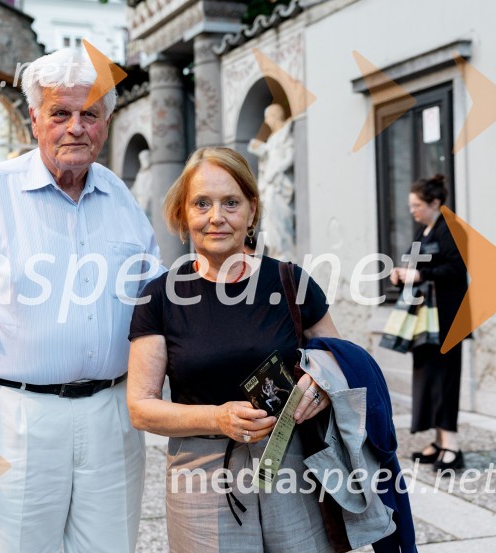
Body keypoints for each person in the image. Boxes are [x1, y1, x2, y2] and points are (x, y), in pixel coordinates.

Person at [0, 48, 161, 553]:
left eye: (89, 114)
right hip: (16, 417)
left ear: (106, 122)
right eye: (61, 113)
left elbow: (159, 308)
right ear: (35, 119)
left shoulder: (121, 198)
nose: (76, 126)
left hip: (113, 417)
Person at [127, 147, 345, 551]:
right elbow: (141, 406)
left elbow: (339, 356)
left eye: (230, 202)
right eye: (202, 204)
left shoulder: (290, 282)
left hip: (293, 462)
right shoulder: (159, 297)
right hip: (202, 472)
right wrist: (218, 417)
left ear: (252, 208)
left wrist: (320, 383)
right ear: (182, 213)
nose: (216, 217)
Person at [390, 174, 468, 471]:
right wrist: (402, 273)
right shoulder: (424, 232)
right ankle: (438, 441)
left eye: (417, 204)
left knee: (445, 379)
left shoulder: (451, 230)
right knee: (429, 380)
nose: (413, 210)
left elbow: (456, 270)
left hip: (448, 321)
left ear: (435, 202)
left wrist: (420, 275)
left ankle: (452, 447)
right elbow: (418, 267)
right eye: (411, 205)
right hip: (425, 321)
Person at [248, 103, 295, 261]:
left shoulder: (285, 132)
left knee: (280, 221)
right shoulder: (274, 137)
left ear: (275, 116)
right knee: (270, 223)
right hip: (269, 185)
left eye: (268, 118)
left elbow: (289, 157)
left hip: (279, 184)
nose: (267, 122)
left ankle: (284, 253)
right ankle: (276, 253)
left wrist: (274, 171)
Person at [130, 149, 152, 217]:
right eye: (142, 159)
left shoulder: (152, 173)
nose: (143, 161)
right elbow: (135, 188)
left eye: (145, 158)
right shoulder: (140, 174)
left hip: (148, 203)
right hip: (140, 201)